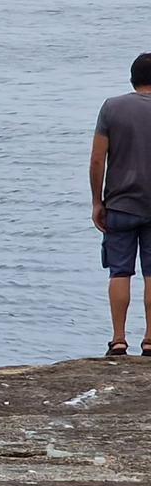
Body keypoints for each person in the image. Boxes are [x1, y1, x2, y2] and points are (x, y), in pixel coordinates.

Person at [92, 52, 151, 357]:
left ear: (132, 79)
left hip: (121, 204)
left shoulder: (112, 107)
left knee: (120, 272)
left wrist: (96, 201)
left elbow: (98, 159)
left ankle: (118, 340)